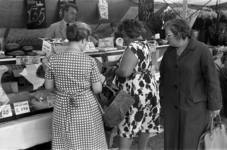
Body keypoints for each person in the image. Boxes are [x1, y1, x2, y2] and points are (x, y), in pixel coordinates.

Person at [159, 18, 222, 150]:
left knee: (191, 143)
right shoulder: (168, 52)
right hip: (171, 107)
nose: (166, 38)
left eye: (168, 35)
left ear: (180, 33)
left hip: (194, 109)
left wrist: (215, 105)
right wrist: (163, 97)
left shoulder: (202, 50)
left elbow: (212, 79)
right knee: (172, 143)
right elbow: (163, 76)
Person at [44, 21, 108, 150]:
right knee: (90, 143)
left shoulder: (53, 59)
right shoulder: (89, 61)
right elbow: (97, 89)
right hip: (86, 107)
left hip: (62, 107)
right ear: (84, 40)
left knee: (64, 142)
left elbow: (48, 86)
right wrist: (101, 80)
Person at [104, 19, 161, 150]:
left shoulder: (133, 46)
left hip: (134, 91)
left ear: (130, 33)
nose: (123, 39)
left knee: (128, 124)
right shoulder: (146, 44)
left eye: (123, 35)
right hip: (148, 88)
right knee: (145, 123)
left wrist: (113, 70)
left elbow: (124, 71)